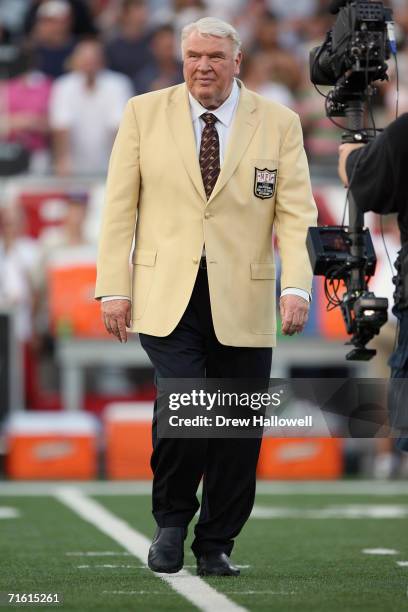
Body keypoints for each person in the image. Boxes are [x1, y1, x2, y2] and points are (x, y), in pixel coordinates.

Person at [95, 17, 317, 576]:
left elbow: (296, 215)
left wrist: (296, 286)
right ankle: (171, 523)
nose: (204, 66)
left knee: (237, 430)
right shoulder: (144, 114)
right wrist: (112, 289)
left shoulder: (280, 123)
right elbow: (119, 209)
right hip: (166, 294)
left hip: (243, 296)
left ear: (237, 61)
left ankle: (217, 543)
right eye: (194, 55)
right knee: (187, 404)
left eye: (215, 56)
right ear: (181, 59)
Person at [338, 113, 408, 453]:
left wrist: (352, 155)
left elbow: (362, 184)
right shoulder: (383, 242)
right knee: (383, 386)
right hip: (387, 327)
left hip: (398, 322)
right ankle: (385, 454)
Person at [49, 39, 133, 175]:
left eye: (93, 60)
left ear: (102, 61)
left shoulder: (118, 84)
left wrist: (119, 165)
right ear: (75, 61)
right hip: (74, 165)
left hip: (109, 163)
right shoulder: (63, 86)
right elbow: (61, 126)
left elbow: (118, 127)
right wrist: (63, 160)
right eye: (85, 60)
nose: (89, 65)